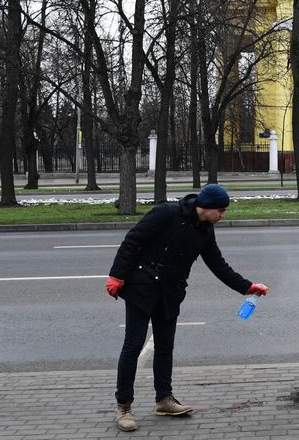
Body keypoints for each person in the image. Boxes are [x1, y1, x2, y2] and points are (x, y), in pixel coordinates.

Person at [105, 184, 268, 432]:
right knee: (133, 345)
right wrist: (117, 275)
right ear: (208, 206)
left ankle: (164, 399)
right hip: (142, 287)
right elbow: (132, 240)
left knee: (165, 347)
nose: (223, 215)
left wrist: (247, 287)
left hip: (170, 293)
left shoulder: (205, 230)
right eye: (221, 210)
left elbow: (218, 264)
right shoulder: (167, 213)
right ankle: (123, 406)